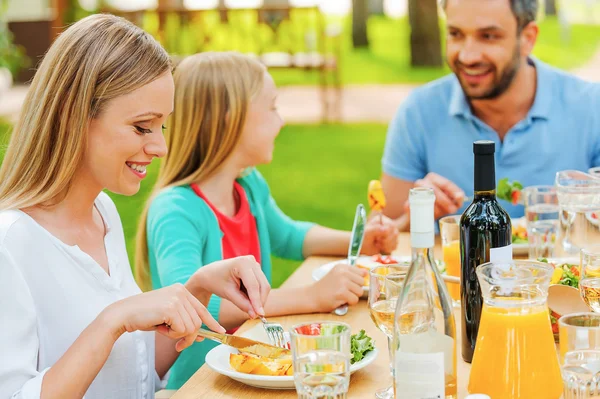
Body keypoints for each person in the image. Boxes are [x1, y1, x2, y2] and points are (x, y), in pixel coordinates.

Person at [0, 15, 270, 398]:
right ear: (72, 117)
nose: (160, 147)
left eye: (163, 127)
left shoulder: (102, 213)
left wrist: (195, 290)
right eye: (143, 127)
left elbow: (136, 376)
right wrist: (113, 320)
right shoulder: (11, 244)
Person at [135, 51, 399, 388]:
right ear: (232, 120)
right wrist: (312, 296)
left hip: (258, 374)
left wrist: (359, 241)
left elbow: (289, 235)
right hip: (202, 386)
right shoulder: (176, 210)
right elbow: (193, 305)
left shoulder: (248, 186)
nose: (282, 121)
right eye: (272, 108)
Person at [381, 0, 600, 230]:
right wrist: (419, 212)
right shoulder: (419, 112)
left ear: (527, 38)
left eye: (488, 36)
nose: (467, 56)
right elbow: (389, 237)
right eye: (455, 34)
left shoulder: (591, 106)